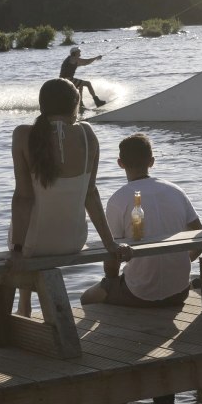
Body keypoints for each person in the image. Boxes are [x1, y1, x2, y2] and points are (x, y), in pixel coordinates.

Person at [10, 78, 129, 265]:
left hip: (31, 246)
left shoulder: (23, 135)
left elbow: (23, 198)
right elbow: (91, 194)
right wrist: (110, 243)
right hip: (73, 243)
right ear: (75, 105)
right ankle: (25, 295)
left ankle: (24, 290)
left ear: (42, 105)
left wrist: (17, 251)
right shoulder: (87, 134)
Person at [81, 133, 202, 307]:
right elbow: (200, 236)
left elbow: (111, 256)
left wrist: (111, 282)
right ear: (151, 161)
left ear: (120, 163)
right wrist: (180, 261)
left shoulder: (117, 199)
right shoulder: (176, 191)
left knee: (86, 298)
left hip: (139, 294)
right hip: (179, 291)